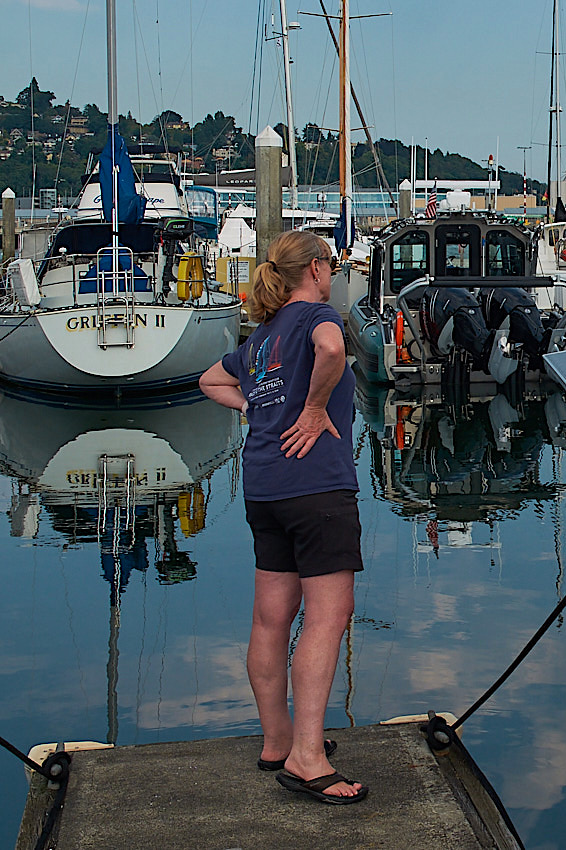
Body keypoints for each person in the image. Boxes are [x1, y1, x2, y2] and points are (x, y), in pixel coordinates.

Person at [199, 230, 368, 804]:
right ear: (317, 268)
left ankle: (277, 740)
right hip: (316, 485)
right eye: (333, 264)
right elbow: (333, 349)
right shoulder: (317, 315)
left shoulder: (261, 337)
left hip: (264, 486)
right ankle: (308, 756)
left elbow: (210, 380)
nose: (335, 273)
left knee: (272, 617)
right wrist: (316, 407)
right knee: (328, 615)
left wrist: (254, 405)